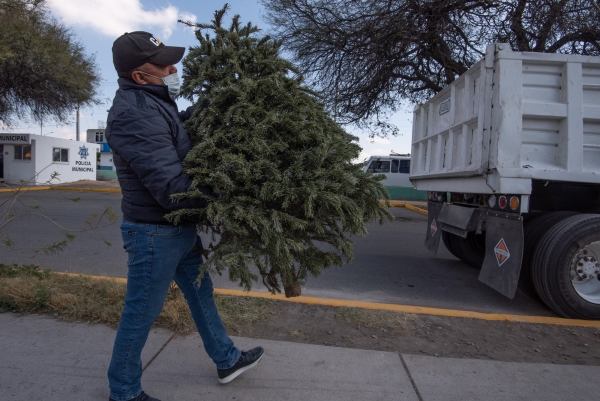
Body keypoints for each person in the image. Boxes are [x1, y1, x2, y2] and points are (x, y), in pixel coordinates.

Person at [106, 31, 264, 401]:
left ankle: (227, 359)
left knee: (200, 292)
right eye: (162, 65)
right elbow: (175, 191)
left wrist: (215, 103)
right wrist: (230, 188)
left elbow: (178, 132)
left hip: (176, 230)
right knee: (141, 312)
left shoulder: (153, 102)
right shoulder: (134, 114)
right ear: (140, 76)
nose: (172, 68)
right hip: (154, 234)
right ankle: (123, 392)